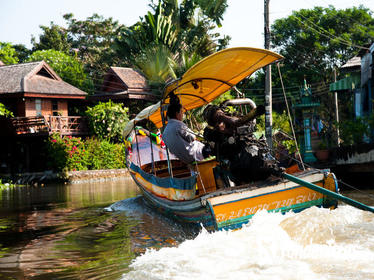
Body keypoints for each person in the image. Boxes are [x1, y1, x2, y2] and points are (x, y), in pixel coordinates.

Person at [162, 96, 211, 164]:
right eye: (182, 112)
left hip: (185, 161)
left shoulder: (164, 133)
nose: (183, 114)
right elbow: (193, 137)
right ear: (177, 114)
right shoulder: (178, 125)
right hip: (197, 154)